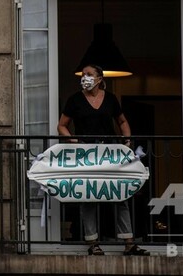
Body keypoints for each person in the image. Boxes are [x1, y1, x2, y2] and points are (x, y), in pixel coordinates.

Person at [57, 64, 149, 256]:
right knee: (88, 196)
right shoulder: (75, 100)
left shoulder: (111, 99)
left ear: (99, 79)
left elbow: (122, 121)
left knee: (119, 194)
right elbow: (62, 125)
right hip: (87, 154)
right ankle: (93, 243)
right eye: (83, 75)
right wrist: (74, 141)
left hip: (110, 152)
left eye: (89, 74)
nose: (85, 78)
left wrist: (127, 141)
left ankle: (129, 242)